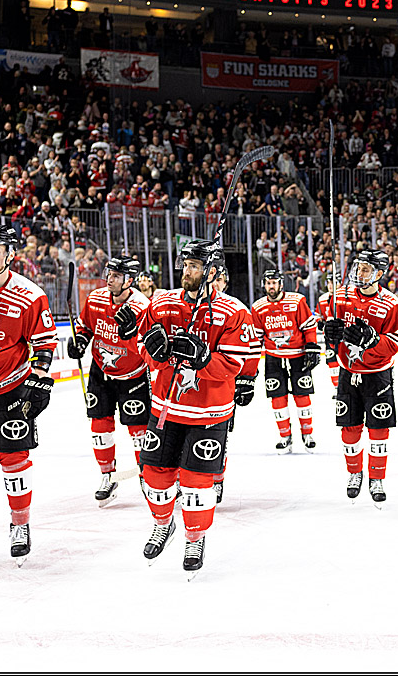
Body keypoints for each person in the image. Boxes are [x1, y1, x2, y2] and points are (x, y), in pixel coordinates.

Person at [133, 239, 260, 578]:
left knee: (196, 484)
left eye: (194, 266)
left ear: (213, 272)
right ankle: (163, 525)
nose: (186, 271)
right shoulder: (162, 303)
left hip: (209, 413)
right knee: (156, 480)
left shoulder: (234, 312)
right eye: (185, 264)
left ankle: (195, 537)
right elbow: (142, 345)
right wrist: (153, 353)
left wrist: (204, 359)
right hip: (165, 407)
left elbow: (234, 363)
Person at [0, 225, 57, 566]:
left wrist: (41, 378)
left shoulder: (29, 295)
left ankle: (20, 524)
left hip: (10, 387)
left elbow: (46, 343)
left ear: (9, 255)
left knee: (13, 459)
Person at [323, 250, 398, 505]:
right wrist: (330, 334)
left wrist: (373, 340)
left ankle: (377, 478)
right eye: (359, 267)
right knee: (349, 428)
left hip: (378, 376)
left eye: (366, 269)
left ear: (380, 273)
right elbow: (329, 329)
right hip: (349, 372)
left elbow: (395, 343)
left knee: (378, 429)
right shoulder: (342, 298)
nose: (360, 273)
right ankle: (354, 473)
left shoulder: (391, 304)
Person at [71, 255, 151, 505]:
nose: (110, 280)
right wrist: (80, 341)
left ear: (129, 280)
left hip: (133, 376)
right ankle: (107, 475)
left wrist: (131, 336)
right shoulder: (95, 299)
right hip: (100, 372)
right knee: (99, 428)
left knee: (138, 432)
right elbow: (85, 326)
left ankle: (146, 476)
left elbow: (149, 345)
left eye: (116, 276)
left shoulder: (142, 307)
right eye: (109, 274)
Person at [250, 269, 321, 454]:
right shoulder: (258, 307)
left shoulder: (296, 301)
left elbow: (309, 325)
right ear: (263, 285)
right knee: (277, 397)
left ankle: (307, 434)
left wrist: (312, 346)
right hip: (273, 357)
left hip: (298, 355)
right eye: (268, 283)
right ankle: (284, 436)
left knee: (302, 396)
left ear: (281, 284)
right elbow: (257, 338)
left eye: (274, 283)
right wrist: (250, 364)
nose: (271, 286)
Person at [211, 262, 260, 505]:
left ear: (225, 283)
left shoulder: (234, 309)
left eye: (219, 280)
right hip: (189, 388)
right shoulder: (192, 307)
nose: (214, 284)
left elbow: (250, 349)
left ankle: (217, 479)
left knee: (219, 436)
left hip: (223, 387)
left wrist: (247, 380)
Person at [315, 277, 340, 398]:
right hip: (329, 336)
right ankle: (336, 388)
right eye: (329, 283)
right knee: (332, 362)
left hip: (343, 336)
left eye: (334, 283)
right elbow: (318, 317)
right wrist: (320, 323)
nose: (331, 286)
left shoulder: (345, 296)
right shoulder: (322, 299)